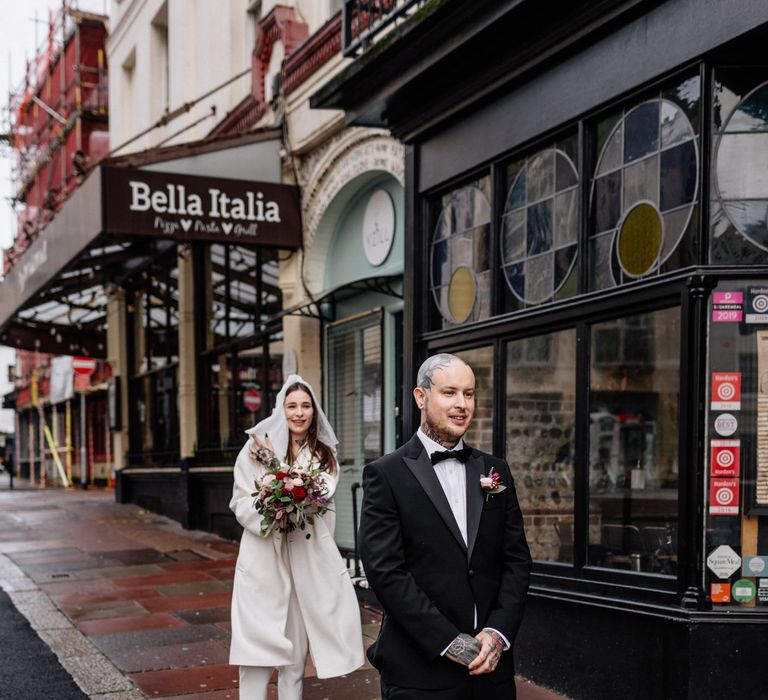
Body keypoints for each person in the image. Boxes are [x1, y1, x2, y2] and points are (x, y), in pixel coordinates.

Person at [360, 353, 532, 699]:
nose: (462, 404)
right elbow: (386, 572)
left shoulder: (495, 469)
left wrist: (497, 634)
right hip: (419, 671)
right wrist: (449, 642)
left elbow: (517, 561)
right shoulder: (386, 474)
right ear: (421, 397)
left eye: (469, 394)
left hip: (490, 671)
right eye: (450, 393)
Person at [229, 374, 365, 699]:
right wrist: (269, 510)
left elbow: (317, 494)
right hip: (263, 560)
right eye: (292, 406)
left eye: (306, 406)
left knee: (294, 659)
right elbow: (240, 499)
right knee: (255, 653)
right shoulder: (255, 447)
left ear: (314, 412)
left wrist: (277, 474)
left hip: (305, 565)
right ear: (281, 409)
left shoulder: (324, 456)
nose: (299, 413)